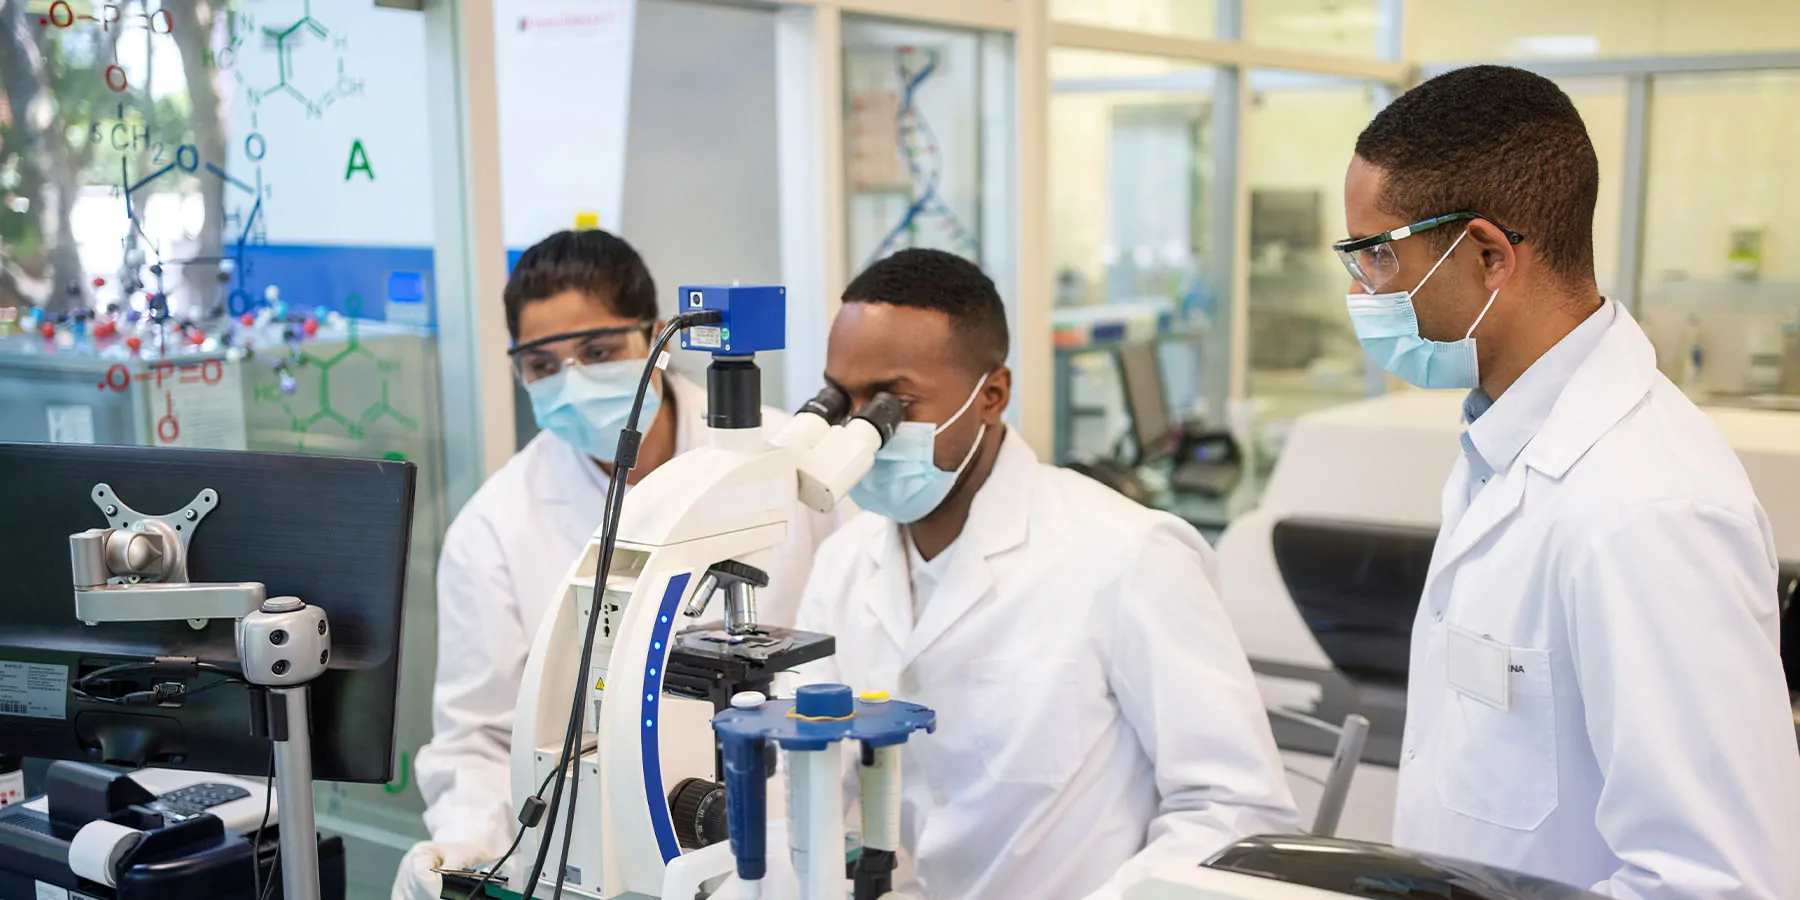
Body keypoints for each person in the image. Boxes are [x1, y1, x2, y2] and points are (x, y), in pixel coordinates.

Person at [1335, 65, 1799, 897]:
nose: (1362, 290)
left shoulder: (1649, 511)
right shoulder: (1506, 438)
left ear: (1487, 256)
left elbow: (1718, 882)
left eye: (1377, 255)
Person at [791, 248, 1301, 900]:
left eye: (893, 404)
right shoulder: (844, 560)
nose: (863, 430)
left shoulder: (1128, 555)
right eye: (844, 401)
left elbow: (1235, 809)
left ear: (992, 395)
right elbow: (802, 777)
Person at [392, 230, 835, 900]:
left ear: (654, 337)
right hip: (596, 860)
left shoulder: (785, 466)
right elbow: (478, 739)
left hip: (784, 839)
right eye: (542, 365)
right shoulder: (495, 526)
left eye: (598, 352)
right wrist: (468, 845)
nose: (573, 381)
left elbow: (851, 663)